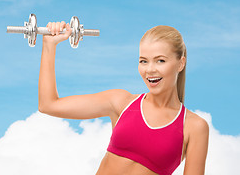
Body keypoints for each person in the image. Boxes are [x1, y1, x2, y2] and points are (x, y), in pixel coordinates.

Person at [38, 21, 209, 175]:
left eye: (160, 61)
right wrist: (49, 45)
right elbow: (48, 105)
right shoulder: (121, 102)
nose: (150, 70)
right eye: (143, 61)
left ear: (181, 63)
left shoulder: (194, 127)